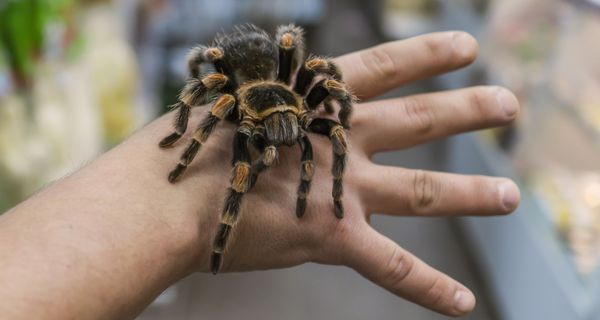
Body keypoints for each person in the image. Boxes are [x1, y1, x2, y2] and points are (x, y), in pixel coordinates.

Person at [0, 31, 520, 319]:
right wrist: (184, 153)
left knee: (328, 128)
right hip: (244, 80)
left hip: (276, 80)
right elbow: (200, 78)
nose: (290, 134)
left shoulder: (305, 98)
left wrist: (341, 140)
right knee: (229, 148)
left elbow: (328, 84)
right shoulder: (230, 96)